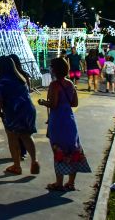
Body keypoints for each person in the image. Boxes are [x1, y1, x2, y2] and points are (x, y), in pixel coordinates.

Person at [38, 57, 92, 191]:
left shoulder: (54, 85)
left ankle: (59, 183)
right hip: (69, 119)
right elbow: (75, 103)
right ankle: (71, 183)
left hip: (58, 120)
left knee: (59, 150)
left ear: (55, 69)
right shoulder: (70, 84)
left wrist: (43, 102)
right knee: (73, 149)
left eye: (51, 66)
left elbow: (53, 104)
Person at [0, 55, 39, 176]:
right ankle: (34, 160)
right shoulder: (20, 77)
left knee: (13, 139)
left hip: (13, 112)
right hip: (28, 110)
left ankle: (17, 166)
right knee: (26, 136)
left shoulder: (1, 81)